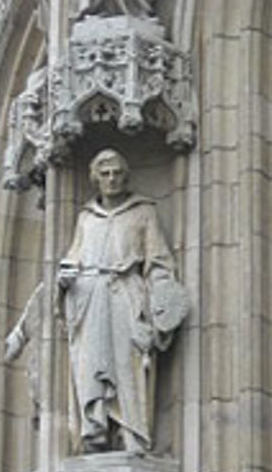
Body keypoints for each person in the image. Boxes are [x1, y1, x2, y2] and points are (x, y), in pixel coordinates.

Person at [58, 149, 187, 454]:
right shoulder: (86, 218)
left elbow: (158, 262)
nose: (112, 179)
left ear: (125, 176)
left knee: (128, 370)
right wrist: (64, 281)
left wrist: (162, 296)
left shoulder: (143, 212)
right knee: (91, 369)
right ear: (95, 179)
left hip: (126, 297)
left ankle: (133, 434)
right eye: (105, 174)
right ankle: (96, 427)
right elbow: (73, 258)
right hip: (89, 300)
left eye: (117, 173)